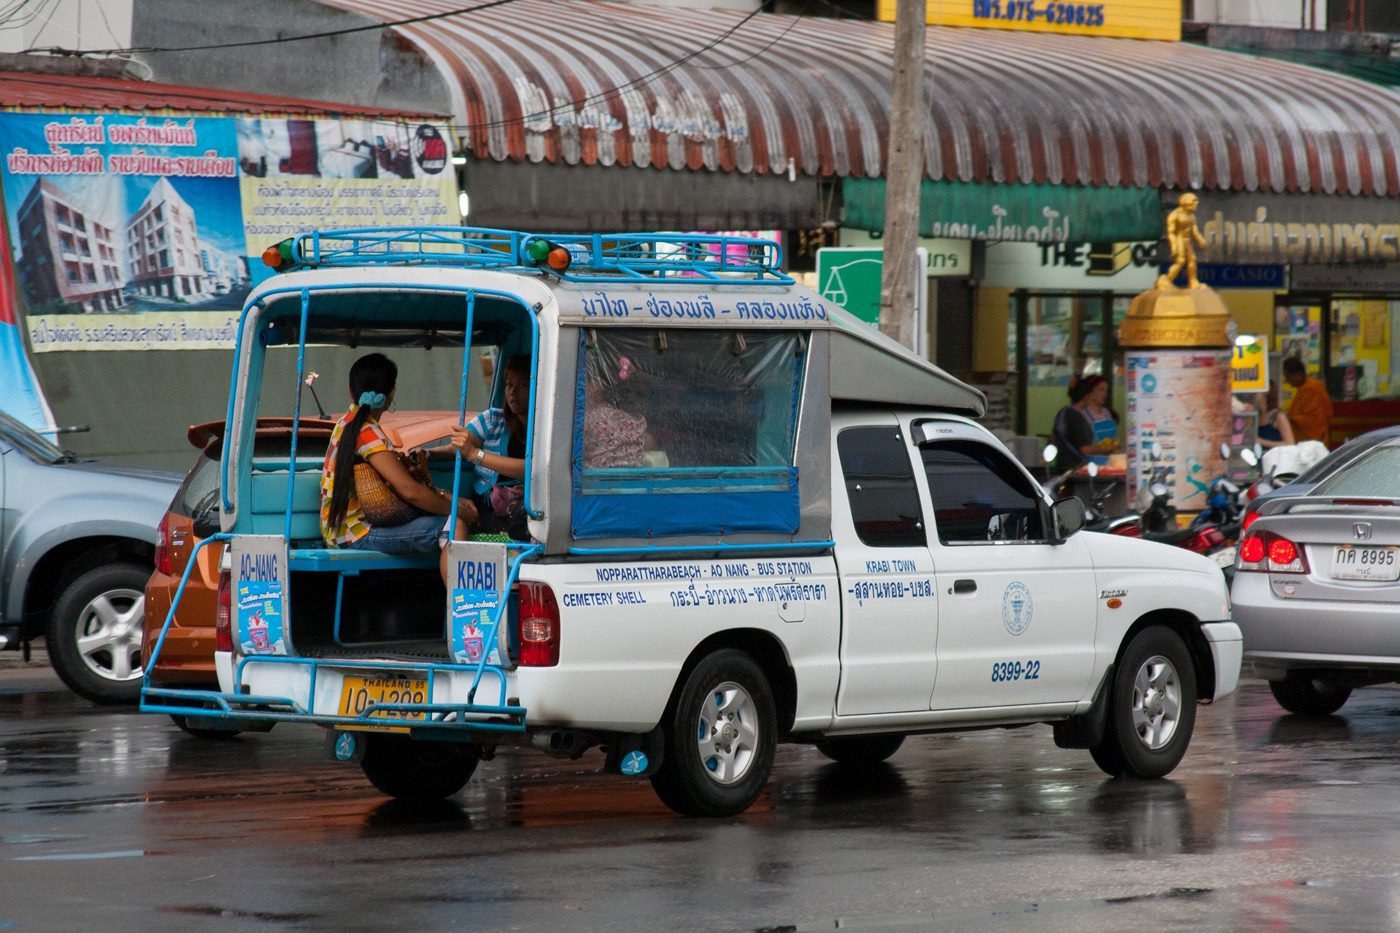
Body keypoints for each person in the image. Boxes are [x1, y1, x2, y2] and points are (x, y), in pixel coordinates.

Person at [321, 353, 474, 582]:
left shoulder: (346, 424)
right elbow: (409, 490)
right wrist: (455, 510)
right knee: (453, 526)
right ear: (391, 394)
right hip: (356, 533)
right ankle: (461, 613)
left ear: (350, 390)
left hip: (340, 531)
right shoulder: (367, 432)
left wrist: (449, 499)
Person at [450, 354, 531, 536]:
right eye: (509, 385)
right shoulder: (493, 419)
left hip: (528, 506)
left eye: (523, 385)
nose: (513, 392)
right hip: (491, 504)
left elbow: (530, 469)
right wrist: (429, 454)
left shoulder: (546, 428)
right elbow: (460, 448)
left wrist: (476, 455)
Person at [582, 352, 647, 468]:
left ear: (601, 386)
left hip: (595, 483)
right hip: (633, 480)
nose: (585, 388)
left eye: (589, 381)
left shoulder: (587, 420)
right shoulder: (638, 420)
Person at [1050, 374, 1117, 472]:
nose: (1105, 394)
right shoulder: (1078, 417)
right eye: (1101, 389)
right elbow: (1084, 449)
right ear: (1087, 396)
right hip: (1078, 467)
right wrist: (1106, 449)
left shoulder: (1063, 412)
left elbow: (1054, 437)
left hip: (1064, 465)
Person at [1157, 192, 1207, 290]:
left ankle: (1193, 281)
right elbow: (1171, 232)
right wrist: (1174, 245)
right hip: (1179, 239)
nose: (1195, 205)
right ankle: (1167, 279)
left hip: (1187, 241)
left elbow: (1195, 231)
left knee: (1192, 260)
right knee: (1180, 261)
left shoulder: (1192, 217)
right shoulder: (1175, 215)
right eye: (1193, 202)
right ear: (1186, 203)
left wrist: (1200, 240)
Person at [1282, 356, 1333, 445]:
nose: (1287, 381)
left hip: (1313, 441)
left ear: (1298, 374)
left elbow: (1313, 420)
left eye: (1289, 377)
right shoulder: (1305, 388)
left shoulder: (1312, 389)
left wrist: (1289, 418)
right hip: (1305, 441)